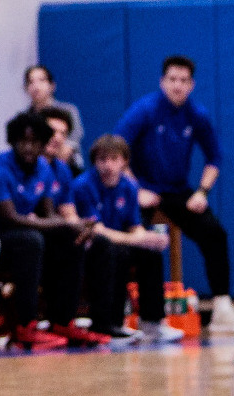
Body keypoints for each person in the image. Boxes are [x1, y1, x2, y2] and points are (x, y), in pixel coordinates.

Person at [113, 54, 234, 332]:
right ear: (162, 82)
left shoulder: (196, 114)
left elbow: (215, 157)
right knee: (138, 241)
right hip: (142, 189)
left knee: (214, 233)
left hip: (178, 191)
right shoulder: (144, 109)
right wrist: (136, 188)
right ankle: (130, 313)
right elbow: (116, 149)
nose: (177, 85)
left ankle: (222, 309)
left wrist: (202, 191)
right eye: (172, 79)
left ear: (191, 85)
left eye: (183, 80)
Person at [0, 111, 90, 350]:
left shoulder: (44, 168)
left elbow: (48, 215)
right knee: (31, 240)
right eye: (23, 141)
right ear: (12, 141)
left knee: (70, 238)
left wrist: (74, 227)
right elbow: (9, 218)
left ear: (43, 144)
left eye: (35, 142)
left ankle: (62, 320)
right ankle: (26, 326)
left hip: (17, 236)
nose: (29, 147)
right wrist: (66, 223)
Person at [73, 133, 175, 342]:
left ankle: (152, 322)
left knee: (150, 253)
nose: (108, 165)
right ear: (95, 162)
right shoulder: (83, 185)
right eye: (103, 160)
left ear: (124, 161)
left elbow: (134, 226)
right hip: (91, 247)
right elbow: (97, 230)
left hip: (121, 243)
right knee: (113, 252)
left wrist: (148, 238)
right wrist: (136, 239)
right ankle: (110, 323)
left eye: (114, 159)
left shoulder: (129, 186)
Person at [23, 65, 84, 169]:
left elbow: (68, 148)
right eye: (31, 82)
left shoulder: (68, 111)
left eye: (41, 80)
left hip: (69, 167)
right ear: (26, 88)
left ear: (52, 86)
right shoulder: (24, 118)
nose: (36, 86)